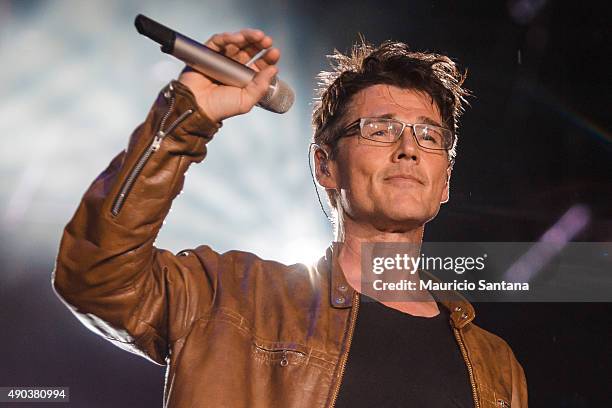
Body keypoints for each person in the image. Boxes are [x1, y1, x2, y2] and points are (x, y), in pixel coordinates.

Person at [53, 28, 527, 407]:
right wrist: (185, 120)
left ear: (444, 180)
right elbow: (97, 277)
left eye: (429, 136)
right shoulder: (229, 298)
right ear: (326, 165)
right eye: (379, 129)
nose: (407, 149)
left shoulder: (496, 366)